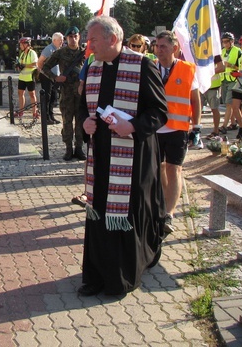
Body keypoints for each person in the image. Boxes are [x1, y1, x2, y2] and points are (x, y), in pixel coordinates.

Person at [77, 16, 167, 296]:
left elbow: (159, 112)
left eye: (92, 40)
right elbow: (83, 107)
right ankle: (96, 276)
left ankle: (122, 277)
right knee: (98, 213)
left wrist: (133, 126)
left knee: (126, 214)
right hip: (101, 155)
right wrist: (84, 124)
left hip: (134, 157)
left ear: (112, 39)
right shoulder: (93, 67)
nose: (88, 46)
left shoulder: (142, 65)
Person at [153, 31, 201, 234]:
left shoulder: (187, 69)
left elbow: (195, 100)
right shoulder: (149, 68)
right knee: (158, 169)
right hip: (154, 128)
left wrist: (196, 127)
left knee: (174, 169)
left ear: (175, 48)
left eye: (163, 46)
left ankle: (169, 214)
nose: (158, 49)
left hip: (177, 129)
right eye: (156, 45)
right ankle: (161, 203)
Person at [42, 26, 86, 160]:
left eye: (75, 36)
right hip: (66, 93)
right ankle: (68, 149)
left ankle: (79, 148)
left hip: (80, 92)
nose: (73, 39)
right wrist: (55, 78)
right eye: (70, 37)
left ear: (79, 37)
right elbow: (44, 67)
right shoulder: (60, 53)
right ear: (66, 38)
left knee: (80, 121)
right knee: (67, 121)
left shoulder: (86, 53)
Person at [37, 32, 64, 124]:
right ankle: (46, 117)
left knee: (53, 97)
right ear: (54, 40)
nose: (62, 42)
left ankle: (51, 116)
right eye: (60, 40)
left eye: (62, 40)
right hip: (47, 76)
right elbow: (40, 61)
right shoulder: (49, 49)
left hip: (54, 77)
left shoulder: (58, 50)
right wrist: (43, 72)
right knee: (47, 97)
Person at [219, 32, 241, 134]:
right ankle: (233, 123)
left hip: (233, 80)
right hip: (224, 79)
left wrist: (231, 65)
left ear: (232, 41)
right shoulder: (222, 51)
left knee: (229, 104)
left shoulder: (238, 51)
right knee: (229, 104)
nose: (225, 43)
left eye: (226, 41)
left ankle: (224, 126)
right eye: (223, 42)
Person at [202, 55, 225, 138]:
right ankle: (194, 132)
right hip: (201, 85)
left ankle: (216, 131)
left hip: (213, 86)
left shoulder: (215, 53)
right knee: (196, 109)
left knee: (214, 108)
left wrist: (207, 72)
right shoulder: (198, 50)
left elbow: (222, 68)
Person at [15, 37, 39, 119]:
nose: (20, 46)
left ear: (26, 44)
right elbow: (21, 64)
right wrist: (18, 66)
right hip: (22, 77)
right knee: (20, 94)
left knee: (32, 95)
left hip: (30, 77)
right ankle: (21, 111)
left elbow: (35, 64)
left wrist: (25, 65)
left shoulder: (32, 53)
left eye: (21, 44)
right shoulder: (22, 54)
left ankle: (35, 112)